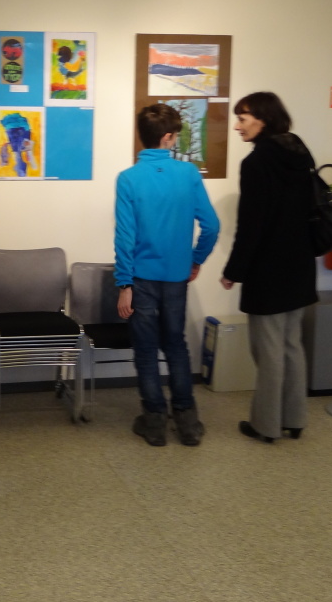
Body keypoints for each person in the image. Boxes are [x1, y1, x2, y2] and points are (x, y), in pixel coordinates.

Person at [114, 104, 220, 447]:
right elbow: (211, 226)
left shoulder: (128, 178)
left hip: (141, 278)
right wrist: (196, 260)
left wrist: (124, 284)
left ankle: (155, 422)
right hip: (176, 277)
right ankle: (187, 422)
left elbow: (125, 237)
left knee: (145, 349)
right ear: (168, 137)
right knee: (175, 345)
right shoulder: (188, 174)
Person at [220, 91, 317, 444]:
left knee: (269, 351)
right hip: (301, 265)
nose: (237, 126)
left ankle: (266, 425)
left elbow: (252, 225)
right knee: (292, 345)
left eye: (242, 119)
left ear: (262, 119)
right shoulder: (299, 151)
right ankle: (295, 419)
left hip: (269, 270)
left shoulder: (257, 162)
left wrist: (233, 271)